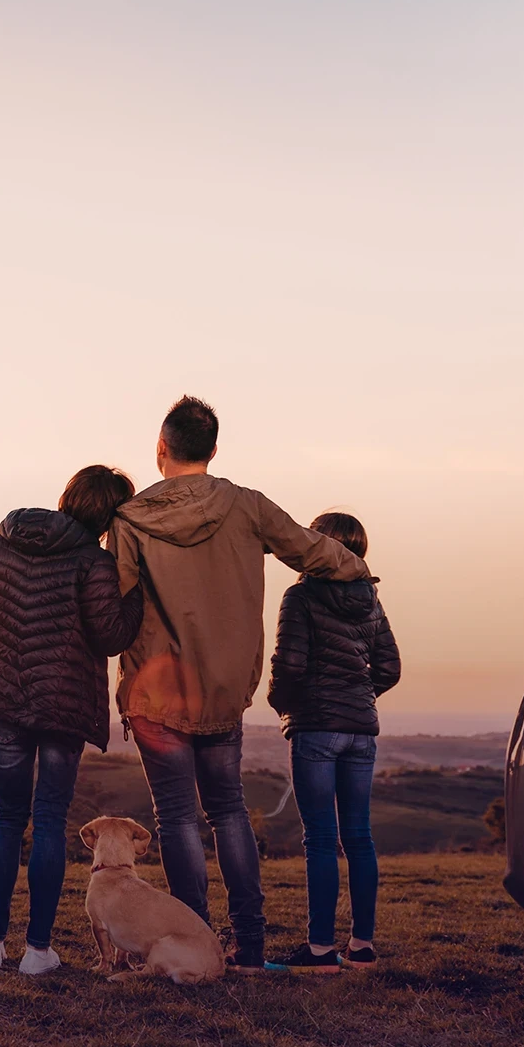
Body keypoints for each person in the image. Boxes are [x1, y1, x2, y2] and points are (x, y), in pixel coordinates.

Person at [109, 397, 369, 972]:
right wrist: (357, 573)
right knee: (228, 811)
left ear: (161, 449)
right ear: (214, 450)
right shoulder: (247, 506)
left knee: (176, 817)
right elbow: (311, 548)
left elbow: (113, 607)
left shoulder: (130, 521)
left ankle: (194, 940)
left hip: (157, 695)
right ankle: (248, 947)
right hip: (225, 692)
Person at [0, 465, 146, 975]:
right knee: (51, 821)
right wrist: (137, 593)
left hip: (7, 704)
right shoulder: (94, 562)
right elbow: (110, 637)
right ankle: (38, 952)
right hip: (64, 707)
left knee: (8, 819)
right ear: (109, 516)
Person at [266, 512, 400, 973]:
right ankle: (362, 946)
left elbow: (291, 664)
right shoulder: (371, 601)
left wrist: (281, 704)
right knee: (359, 837)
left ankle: (321, 951)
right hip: (361, 730)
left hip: (316, 728)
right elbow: (389, 669)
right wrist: (357, 700)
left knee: (321, 839)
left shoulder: (300, 596)